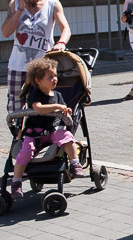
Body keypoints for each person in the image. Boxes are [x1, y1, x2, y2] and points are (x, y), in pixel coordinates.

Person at [1, 0, 72, 114]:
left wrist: (61, 43)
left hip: (43, 67)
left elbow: (65, 28)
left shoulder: (52, 4)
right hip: (18, 66)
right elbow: (6, 32)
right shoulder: (14, 5)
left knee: (44, 103)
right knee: (15, 106)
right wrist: (20, 8)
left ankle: (43, 133)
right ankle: (18, 136)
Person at [10, 57, 85, 199]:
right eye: (50, 77)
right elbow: (38, 108)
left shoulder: (58, 95)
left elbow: (63, 111)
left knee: (68, 137)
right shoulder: (35, 94)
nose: (55, 79)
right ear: (38, 80)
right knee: (24, 153)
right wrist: (57, 107)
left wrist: (66, 111)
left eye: (56, 75)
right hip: (35, 133)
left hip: (52, 131)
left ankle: (75, 164)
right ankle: (16, 182)